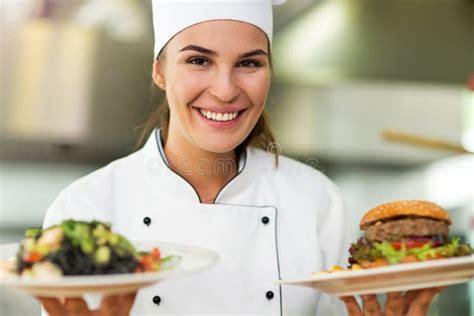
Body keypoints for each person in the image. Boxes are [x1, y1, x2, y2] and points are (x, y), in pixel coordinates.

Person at [38, 0, 442, 315]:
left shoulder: (318, 203)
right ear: (159, 71)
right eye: (199, 60)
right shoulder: (85, 209)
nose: (226, 90)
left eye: (249, 63)